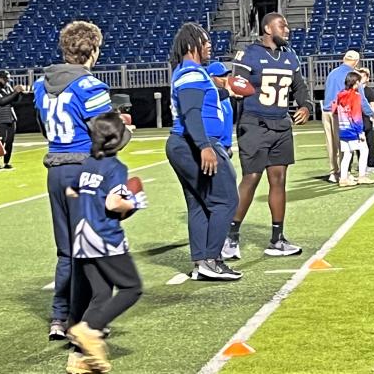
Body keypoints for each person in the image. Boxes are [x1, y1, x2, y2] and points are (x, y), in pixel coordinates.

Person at [34, 20, 114, 340]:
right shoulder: (90, 86)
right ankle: (84, 321)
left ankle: (59, 316)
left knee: (66, 250)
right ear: (93, 50)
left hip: (55, 169)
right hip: (85, 169)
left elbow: (44, 127)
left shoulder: (42, 85)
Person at [223, 13, 313, 260]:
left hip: (281, 124)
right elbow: (237, 84)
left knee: (279, 178)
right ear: (266, 28)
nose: (287, 29)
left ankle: (277, 239)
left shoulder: (290, 55)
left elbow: (300, 87)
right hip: (254, 123)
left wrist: (305, 105)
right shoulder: (248, 54)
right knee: (251, 177)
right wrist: (236, 89)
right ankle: (230, 237)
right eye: (282, 25)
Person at [66, 112, 146, 374]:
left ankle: (80, 358)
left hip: (81, 237)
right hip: (103, 236)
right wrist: (133, 202)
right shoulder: (116, 168)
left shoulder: (88, 163)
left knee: (100, 294)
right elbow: (114, 203)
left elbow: (72, 190)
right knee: (131, 288)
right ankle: (88, 329)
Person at [165, 23, 241, 280]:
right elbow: (192, 112)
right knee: (227, 199)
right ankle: (212, 259)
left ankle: (201, 261)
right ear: (190, 44)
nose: (209, 45)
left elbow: (201, 101)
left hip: (186, 143)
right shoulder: (191, 73)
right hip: (195, 143)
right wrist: (205, 146)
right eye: (204, 40)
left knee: (198, 204)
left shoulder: (190, 73)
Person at [321, 50, 374, 183]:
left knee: (331, 145)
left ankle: (333, 172)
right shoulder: (354, 75)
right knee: (343, 146)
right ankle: (344, 174)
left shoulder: (332, 73)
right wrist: (372, 113)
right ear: (356, 62)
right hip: (341, 113)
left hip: (327, 110)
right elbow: (361, 99)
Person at [332, 71, 374, 186]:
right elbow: (356, 116)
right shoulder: (356, 96)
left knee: (347, 154)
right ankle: (362, 176)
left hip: (343, 129)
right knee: (364, 150)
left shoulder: (340, 94)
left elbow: (334, 110)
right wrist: (360, 132)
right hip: (353, 130)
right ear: (356, 83)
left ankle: (343, 178)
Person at [0, 70, 25, 170]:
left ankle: (6, 162)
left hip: (10, 117)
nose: (7, 81)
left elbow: (14, 101)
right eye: (5, 79)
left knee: (9, 141)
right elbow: (2, 101)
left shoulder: (7, 87)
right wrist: (15, 92)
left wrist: (19, 93)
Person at [207, 61, 236, 157]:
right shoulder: (209, 95)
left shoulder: (226, 96)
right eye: (221, 76)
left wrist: (228, 146)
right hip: (214, 145)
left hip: (224, 146)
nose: (225, 79)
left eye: (226, 75)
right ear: (211, 78)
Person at [356, 67, 374, 171]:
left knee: (370, 141)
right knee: (358, 142)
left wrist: (373, 114)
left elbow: (372, 104)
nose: (361, 78)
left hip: (367, 118)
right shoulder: (355, 90)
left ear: (367, 78)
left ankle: (371, 162)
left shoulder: (369, 90)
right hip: (357, 119)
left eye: (363, 76)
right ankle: (362, 162)